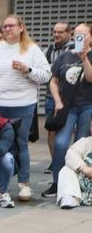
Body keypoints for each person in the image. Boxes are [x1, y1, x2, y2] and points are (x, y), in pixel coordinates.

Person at [0, 14, 51, 202]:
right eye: (5, 26)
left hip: (22, 103)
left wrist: (27, 69)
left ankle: (24, 184)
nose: (7, 29)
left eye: (11, 26)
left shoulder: (31, 49)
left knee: (20, 143)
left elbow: (46, 75)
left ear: (21, 27)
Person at [45, 22, 92, 198]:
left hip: (88, 106)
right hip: (68, 106)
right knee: (61, 143)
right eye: (77, 35)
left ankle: (78, 184)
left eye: (84, 35)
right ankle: (57, 183)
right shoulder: (64, 56)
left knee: (81, 145)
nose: (80, 38)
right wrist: (57, 101)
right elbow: (53, 80)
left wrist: (85, 57)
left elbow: (90, 78)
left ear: (91, 37)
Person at [45, 22, 76, 162]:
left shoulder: (76, 48)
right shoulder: (49, 50)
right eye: (54, 32)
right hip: (52, 96)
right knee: (52, 129)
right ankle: (55, 162)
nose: (56, 35)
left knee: (72, 131)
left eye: (60, 32)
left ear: (69, 33)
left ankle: (73, 162)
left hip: (73, 98)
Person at [56, 134, 92, 209]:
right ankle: (70, 196)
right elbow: (71, 154)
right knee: (66, 169)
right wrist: (83, 168)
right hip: (83, 182)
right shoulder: (85, 142)